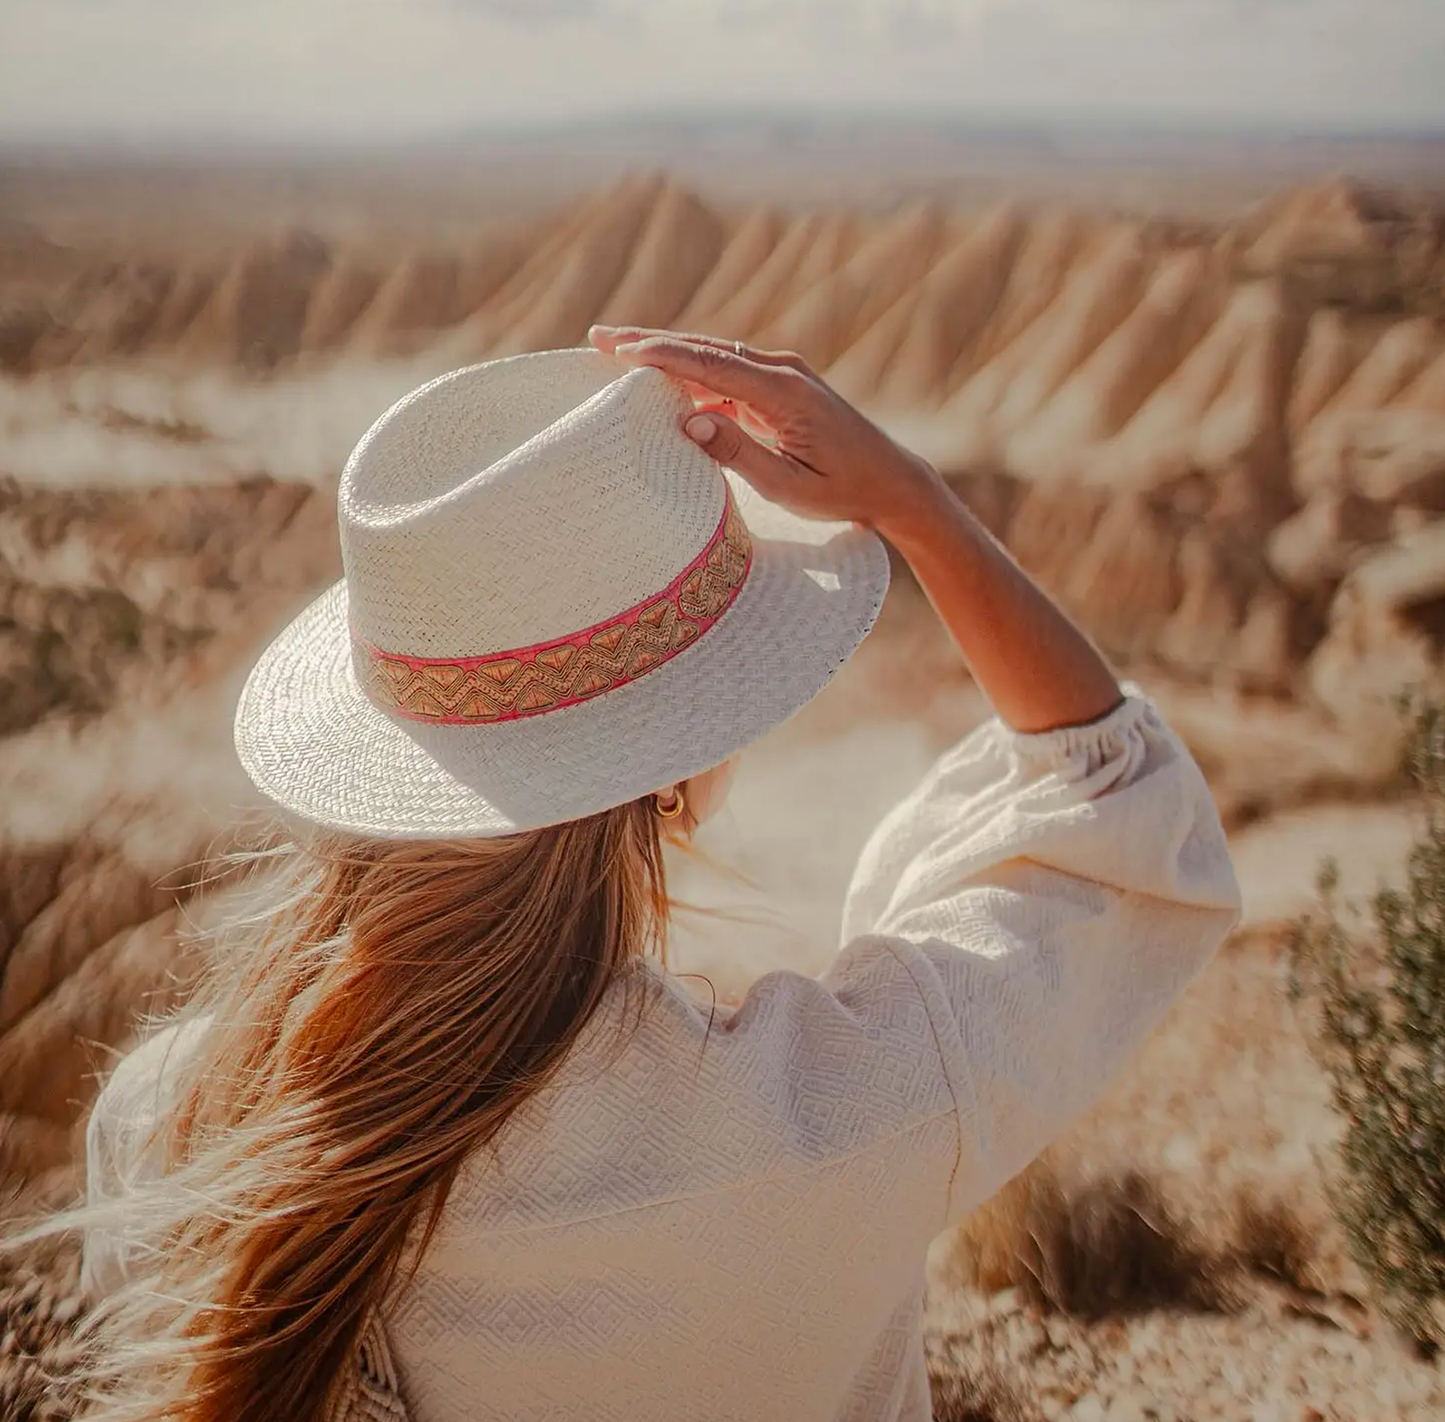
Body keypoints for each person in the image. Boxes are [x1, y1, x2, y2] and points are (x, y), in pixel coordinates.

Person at [76, 329, 1240, 1422]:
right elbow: (1115, 806)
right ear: (672, 772)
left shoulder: (172, 1128)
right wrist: (909, 502)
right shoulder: (837, 1116)